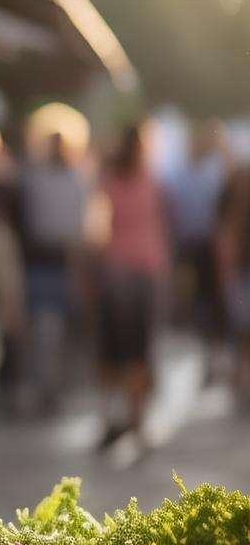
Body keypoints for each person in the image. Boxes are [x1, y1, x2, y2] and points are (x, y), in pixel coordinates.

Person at [95, 124, 170, 448]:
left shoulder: (108, 182)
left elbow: (96, 230)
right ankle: (136, 420)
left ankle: (111, 415)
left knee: (113, 349)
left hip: (116, 271)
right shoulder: (151, 184)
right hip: (144, 272)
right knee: (138, 350)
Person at [19, 130, 89, 413]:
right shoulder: (41, 180)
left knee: (49, 329)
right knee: (43, 329)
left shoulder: (65, 181)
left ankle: (48, 386)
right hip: (44, 259)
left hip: (57, 260)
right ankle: (43, 385)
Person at [163, 120, 228, 375]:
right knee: (194, 301)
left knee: (213, 299)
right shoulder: (179, 175)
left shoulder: (215, 172)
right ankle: (205, 349)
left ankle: (216, 353)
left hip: (210, 247)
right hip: (188, 246)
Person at [215, 164, 250, 408]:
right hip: (240, 277)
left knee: (241, 334)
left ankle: (241, 382)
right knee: (241, 334)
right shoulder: (232, 214)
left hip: (239, 278)